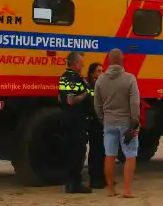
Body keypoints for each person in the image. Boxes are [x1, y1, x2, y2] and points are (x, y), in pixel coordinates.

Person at [94, 48, 141, 197]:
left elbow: (97, 104)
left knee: (109, 154)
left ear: (108, 60)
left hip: (109, 122)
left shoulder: (100, 80)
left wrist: (102, 117)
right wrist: (135, 120)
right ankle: (127, 190)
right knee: (130, 154)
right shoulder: (129, 79)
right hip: (126, 122)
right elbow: (134, 103)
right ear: (122, 60)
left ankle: (110, 189)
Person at [57, 51, 92, 194]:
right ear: (75, 63)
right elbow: (71, 100)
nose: (82, 65)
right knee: (77, 152)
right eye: (81, 62)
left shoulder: (64, 77)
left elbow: (60, 98)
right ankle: (75, 184)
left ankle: (69, 183)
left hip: (67, 117)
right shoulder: (74, 78)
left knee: (69, 151)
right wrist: (85, 94)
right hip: (76, 119)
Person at [85, 62, 107, 190]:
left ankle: (102, 178)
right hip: (95, 122)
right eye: (98, 71)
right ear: (92, 73)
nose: (101, 73)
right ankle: (95, 179)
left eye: (102, 70)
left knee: (103, 151)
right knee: (96, 151)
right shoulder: (91, 87)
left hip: (102, 122)